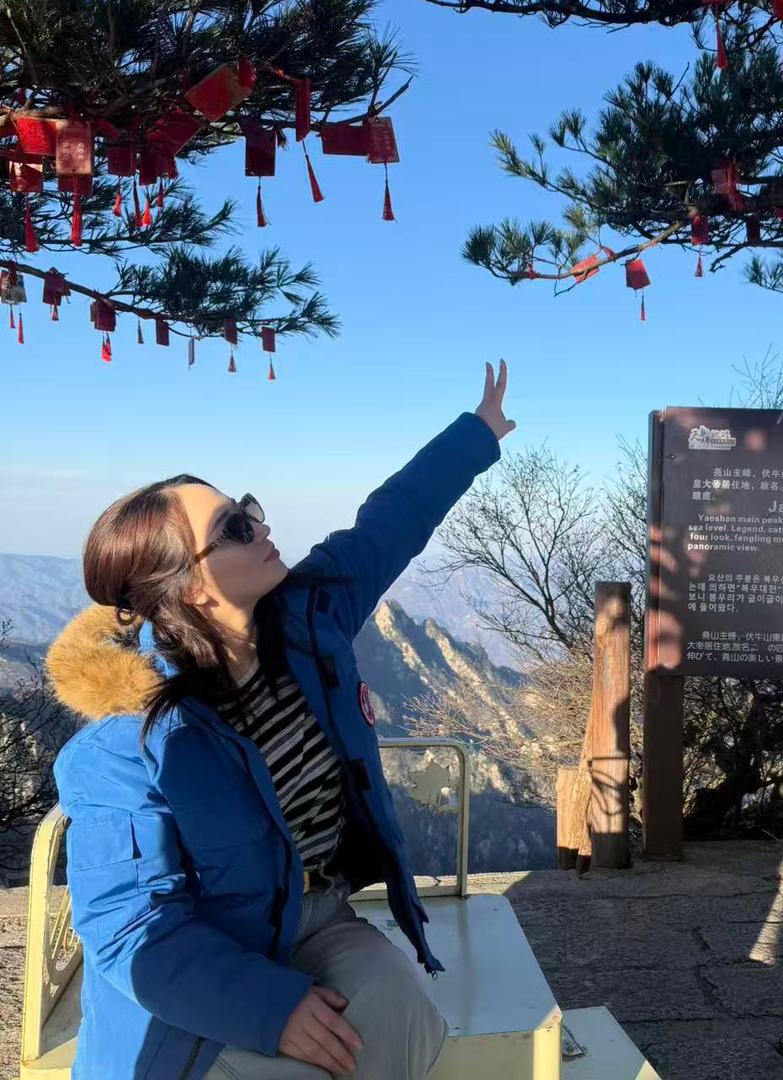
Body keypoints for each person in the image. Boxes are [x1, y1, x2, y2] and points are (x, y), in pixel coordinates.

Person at [44, 362, 515, 1080]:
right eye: (236, 528)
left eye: (249, 509)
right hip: (208, 955)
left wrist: (476, 434)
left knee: (401, 1010)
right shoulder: (126, 737)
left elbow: (390, 523)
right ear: (189, 587)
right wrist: (271, 1009)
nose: (262, 526)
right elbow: (131, 927)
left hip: (314, 914)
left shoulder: (308, 619)